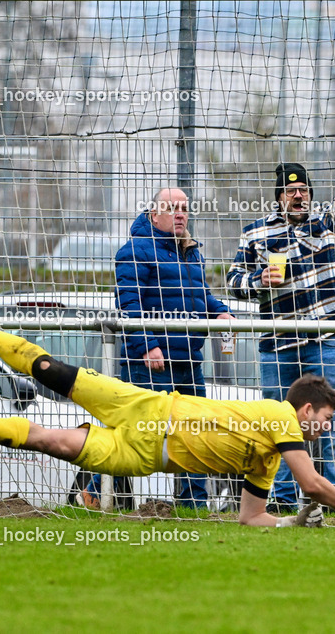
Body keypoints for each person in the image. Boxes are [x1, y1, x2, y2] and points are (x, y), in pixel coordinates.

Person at [0, 299, 335, 527]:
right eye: (327, 417)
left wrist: (290, 523)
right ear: (306, 409)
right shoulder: (281, 416)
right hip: (148, 406)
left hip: (144, 454)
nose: (328, 426)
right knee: (53, 370)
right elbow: (312, 483)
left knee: (52, 441)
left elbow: (250, 517)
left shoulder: (270, 457)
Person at [227, 115, 335, 512]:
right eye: (292, 191)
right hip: (278, 344)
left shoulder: (326, 223)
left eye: (304, 189)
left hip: (324, 339)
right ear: (279, 197)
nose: (299, 196)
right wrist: (258, 280)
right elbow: (231, 280)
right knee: (279, 423)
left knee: (334, 423)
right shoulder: (256, 233)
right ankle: (285, 501)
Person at [83, 187, 235, 510]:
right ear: (155, 213)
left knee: (194, 432)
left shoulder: (191, 251)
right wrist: (147, 346)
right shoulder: (135, 250)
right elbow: (129, 304)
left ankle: (193, 504)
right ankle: (95, 490)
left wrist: (220, 310)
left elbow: (200, 296)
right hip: (151, 362)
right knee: (137, 433)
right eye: (172, 208)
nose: (180, 214)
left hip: (189, 361)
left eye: (184, 208)